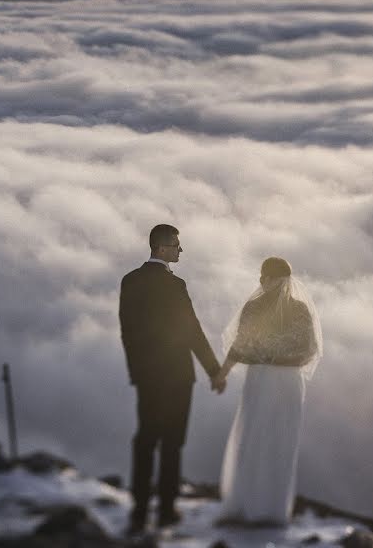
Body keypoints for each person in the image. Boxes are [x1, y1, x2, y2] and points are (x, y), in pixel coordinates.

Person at [119, 223, 227, 533]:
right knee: (172, 443)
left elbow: (128, 333)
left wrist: (137, 373)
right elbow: (191, 331)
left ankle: (139, 512)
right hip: (178, 376)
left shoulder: (130, 281)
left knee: (145, 440)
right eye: (177, 245)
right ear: (163, 248)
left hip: (147, 377)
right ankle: (166, 511)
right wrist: (214, 370)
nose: (180, 250)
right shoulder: (175, 286)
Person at [214, 257, 322, 526]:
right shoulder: (293, 309)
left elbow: (242, 345)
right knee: (267, 439)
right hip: (279, 380)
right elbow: (307, 349)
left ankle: (256, 506)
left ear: (271, 278)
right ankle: (263, 508)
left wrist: (223, 373)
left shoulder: (264, 307)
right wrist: (223, 372)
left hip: (268, 379)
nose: (263, 282)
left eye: (266, 277)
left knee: (264, 438)